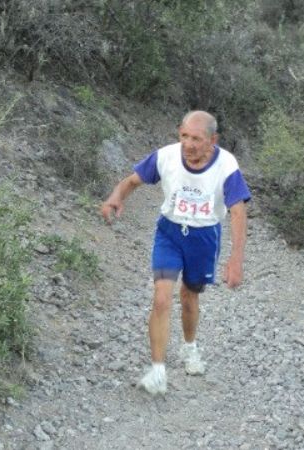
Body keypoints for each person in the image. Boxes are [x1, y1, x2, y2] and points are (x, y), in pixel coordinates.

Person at [100, 110, 251, 395]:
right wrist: (116, 197)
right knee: (161, 298)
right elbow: (133, 180)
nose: (189, 144)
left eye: (197, 138)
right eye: (184, 136)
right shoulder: (166, 156)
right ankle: (158, 371)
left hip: (204, 236)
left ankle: (189, 347)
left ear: (212, 140)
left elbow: (238, 211)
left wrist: (236, 258)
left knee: (189, 296)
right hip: (169, 233)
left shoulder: (226, 165)